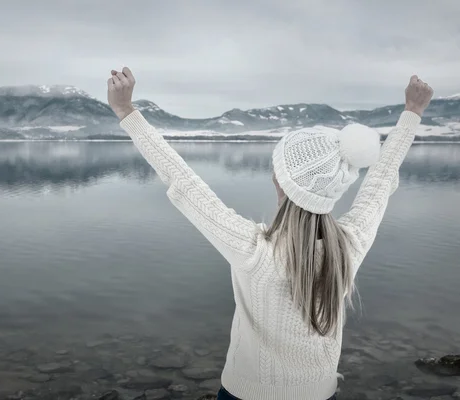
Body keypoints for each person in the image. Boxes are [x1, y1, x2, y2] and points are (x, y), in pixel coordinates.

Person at [107, 67, 433, 400]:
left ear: (279, 181)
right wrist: (412, 113)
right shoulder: (350, 246)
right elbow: (380, 179)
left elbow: (184, 182)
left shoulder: (255, 249)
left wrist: (126, 111)